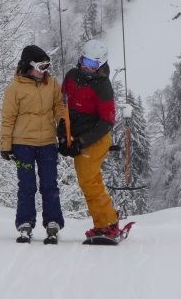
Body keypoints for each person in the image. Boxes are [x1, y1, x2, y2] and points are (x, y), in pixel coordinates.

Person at [0, 45, 65, 242]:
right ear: (29, 66)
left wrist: (62, 128)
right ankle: (25, 222)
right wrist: (6, 145)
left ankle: (53, 221)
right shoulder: (14, 89)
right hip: (22, 146)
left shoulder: (52, 84)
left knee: (49, 184)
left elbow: (59, 107)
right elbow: (8, 118)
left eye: (47, 65)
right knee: (27, 185)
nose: (45, 70)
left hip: (47, 143)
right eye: (41, 66)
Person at [58, 39, 119, 239]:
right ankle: (106, 218)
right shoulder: (71, 76)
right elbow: (63, 106)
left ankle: (107, 224)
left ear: (100, 64)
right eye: (84, 61)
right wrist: (62, 134)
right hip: (75, 134)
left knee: (88, 180)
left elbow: (107, 121)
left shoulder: (102, 86)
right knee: (88, 180)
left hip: (96, 137)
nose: (86, 67)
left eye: (92, 64)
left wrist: (81, 142)